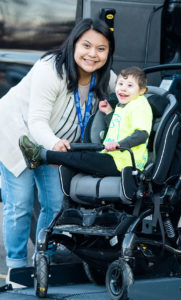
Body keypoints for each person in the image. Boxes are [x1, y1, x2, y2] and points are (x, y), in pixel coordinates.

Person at [0, 18, 116, 282]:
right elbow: (37, 120)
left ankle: (43, 259)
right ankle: (17, 269)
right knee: (20, 204)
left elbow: (132, 97)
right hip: (18, 134)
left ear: (109, 52)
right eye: (86, 45)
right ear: (74, 44)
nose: (92, 54)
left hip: (55, 146)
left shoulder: (106, 77)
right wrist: (54, 145)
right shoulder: (51, 69)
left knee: (54, 204)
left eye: (101, 48)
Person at [19, 66, 153, 180]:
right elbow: (119, 126)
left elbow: (142, 134)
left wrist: (119, 144)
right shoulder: (123, 105)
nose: (123, 89)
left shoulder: (140, 105)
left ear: (142, 91)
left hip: (125, 163)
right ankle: (42, 157)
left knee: (81, 158)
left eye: (130, 86)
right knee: (79, 151)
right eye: (120, 84)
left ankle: (41, 156)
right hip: (112, 157)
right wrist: (109, 113)